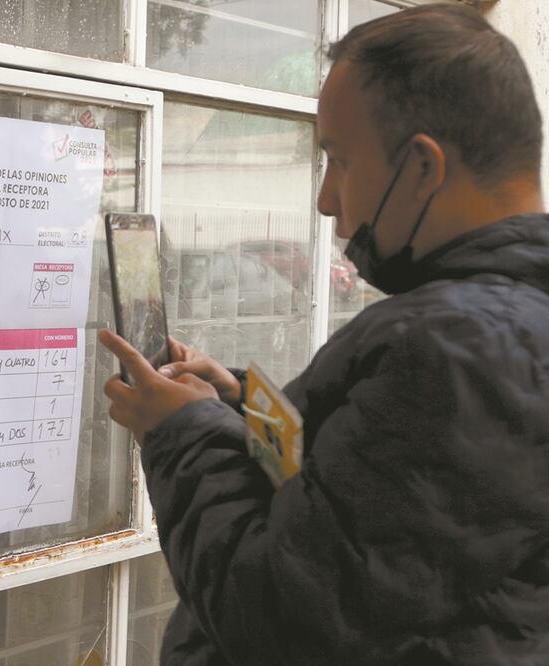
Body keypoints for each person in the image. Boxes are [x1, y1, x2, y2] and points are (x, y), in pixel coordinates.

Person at [100, 5, 549, 664]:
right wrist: (233, 405)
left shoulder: (463, 349)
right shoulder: (499, 326)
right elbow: (352, 497)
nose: (326, 199)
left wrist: (181, 432)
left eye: (338, 159)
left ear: (422, 167)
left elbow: (280, 615)